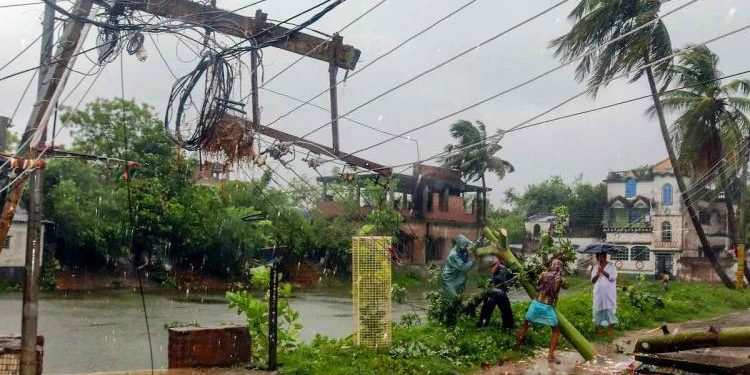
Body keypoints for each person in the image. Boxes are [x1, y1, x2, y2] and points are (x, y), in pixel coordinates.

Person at [515, 258, 567, 363]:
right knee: (556, 331)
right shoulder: (561, 278)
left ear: (551, 265)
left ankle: (516, 349)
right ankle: (550, 356)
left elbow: (538, 283)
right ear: (560, 268)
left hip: (536, 303)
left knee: (525, 325)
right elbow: (566, 286)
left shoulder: (543, 274)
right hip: (547, 307)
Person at [477, 259, 515, 330]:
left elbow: (512, 280)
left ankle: (508, 327)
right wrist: (499, 262)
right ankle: (482, 323)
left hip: (501, 292)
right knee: (487, 308)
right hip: (493, 290)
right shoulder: (497, 264)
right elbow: (492, 272)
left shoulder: (510, 268)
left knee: (506, 310)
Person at [591, 252, 618, 341]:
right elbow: (593, 281)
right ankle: (598, 331)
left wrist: (603, 271)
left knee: (610, 312)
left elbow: (613, 277)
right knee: (598, 312)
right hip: (598, 293)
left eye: (604, 256)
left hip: (609, 294)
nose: (603, 258)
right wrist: (597, 274)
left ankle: (610, 332)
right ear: (598, 257)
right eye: (600, 256)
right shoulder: (595, 266)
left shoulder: (611, 266)